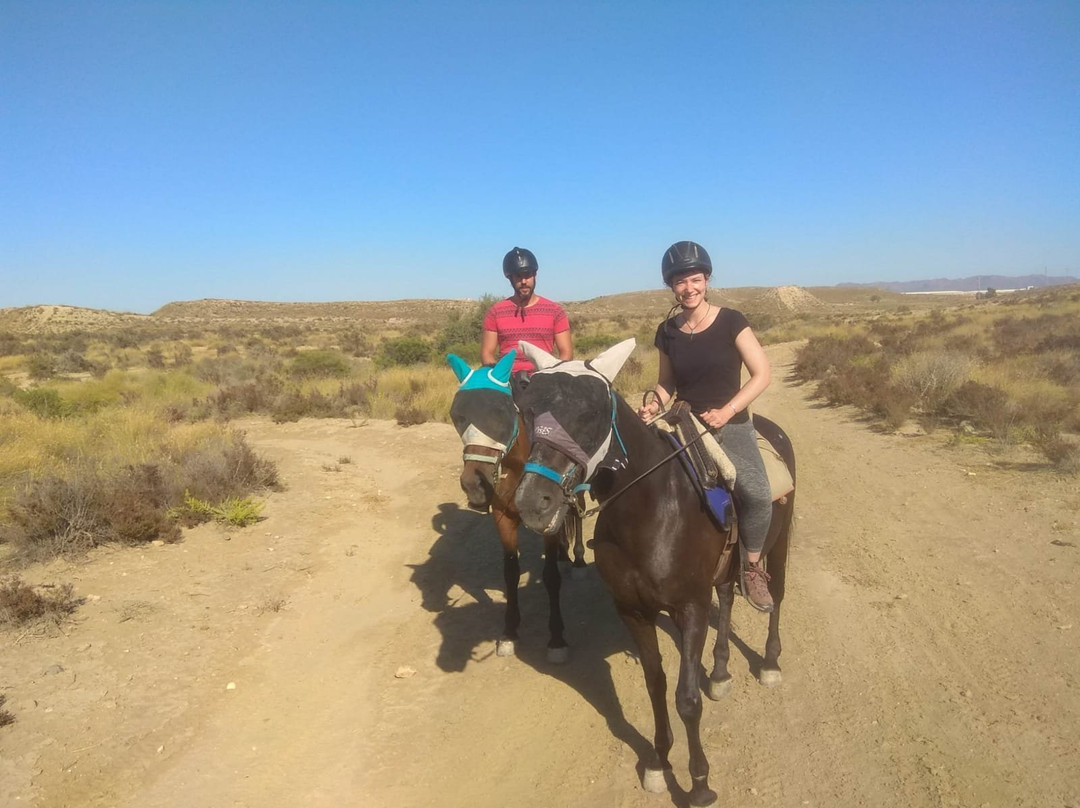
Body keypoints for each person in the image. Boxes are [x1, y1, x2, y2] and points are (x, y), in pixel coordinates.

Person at [637, 240, 776, 612]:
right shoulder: (667, 331)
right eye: (680, 282)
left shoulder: (732, 321)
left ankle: (751, 567)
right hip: (684, 421)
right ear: (671, 286)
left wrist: (728, 411)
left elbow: (761, 374)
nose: (688, 288)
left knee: (759, 494)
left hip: (729, 425)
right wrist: (654, 404)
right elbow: (666, 382)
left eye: (695, 279)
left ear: (707, 279)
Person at [481, 247, 573, 373]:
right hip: (507, 381)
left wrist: (552, 375)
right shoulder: (495, 313)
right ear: (510, 278)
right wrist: (499, 377)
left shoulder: (555, 311)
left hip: (544, 379)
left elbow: (566, 353)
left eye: (527, 275)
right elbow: (487, 354)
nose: (524, 281)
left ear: (535, 275)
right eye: (518, 277)